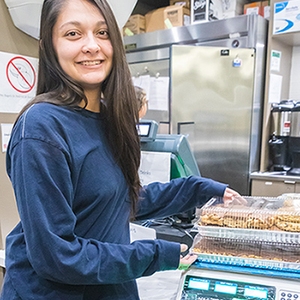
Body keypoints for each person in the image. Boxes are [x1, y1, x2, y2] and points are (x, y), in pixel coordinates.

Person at [0, 0, 242, 299]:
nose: (92, 46)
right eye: (73, 34)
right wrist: (154, 254)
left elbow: (116, 200)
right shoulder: (41, 127)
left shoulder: (106, 118)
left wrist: (200, 189)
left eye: (102, 33)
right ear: (49, 46)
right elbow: (57, 256)